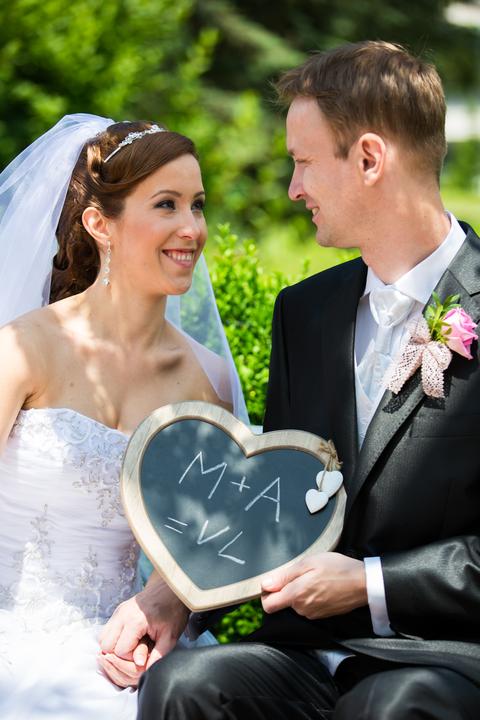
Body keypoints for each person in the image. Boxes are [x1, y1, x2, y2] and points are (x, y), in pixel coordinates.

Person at [130, 41, 480, 719]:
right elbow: (276, 503)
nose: (293, 189)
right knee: (182, 684)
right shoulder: (306, 312)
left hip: (444, 656)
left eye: (304, 162)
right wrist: (171, 598)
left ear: (370, 159)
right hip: (303, 652)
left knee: (395, 705)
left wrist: (370, 584)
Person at [0, 113, 247, 719]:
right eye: (166, 205)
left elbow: (215, 538)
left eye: (197, 205)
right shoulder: (22, 350)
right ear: (99, 225)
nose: (192, 228)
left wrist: (169, 600)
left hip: (133, 652)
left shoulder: (208, 380)